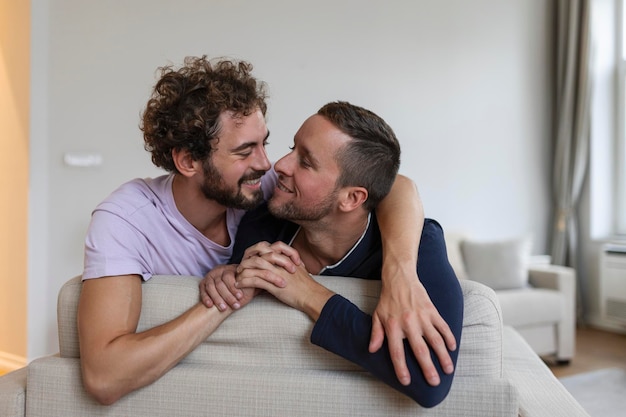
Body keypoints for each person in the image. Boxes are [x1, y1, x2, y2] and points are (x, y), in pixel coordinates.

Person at [77, 56, 456, 405]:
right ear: (188, 160)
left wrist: (399, 272)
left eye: (267, 144)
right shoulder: (135, 219)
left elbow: (393, 186)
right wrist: (232, 290)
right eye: (245, 151)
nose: (270, 164)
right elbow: (104, 376)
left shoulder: (266, 197)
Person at [201, 101, 464, 407]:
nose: (280, 166)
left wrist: (309, 294)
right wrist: (227, 272)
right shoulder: (262, 221)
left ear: (352, 198)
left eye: (306, 162)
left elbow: (429, 383)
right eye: (292, 148)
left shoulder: (421, 247)